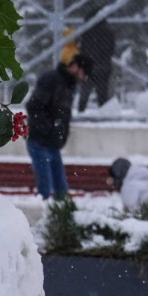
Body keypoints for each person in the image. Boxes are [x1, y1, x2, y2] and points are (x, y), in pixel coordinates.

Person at [24, 54, 93, 200]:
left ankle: (61, 216)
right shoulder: (52, 80)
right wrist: (50, 128)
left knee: (61, 189)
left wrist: (59, 134)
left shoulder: (68, 85)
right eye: (84, 73)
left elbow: (61, 114)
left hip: (52, 143)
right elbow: (34, 107)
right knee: (45, 188)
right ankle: (41, 215)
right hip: (39, 140)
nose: (84, 78)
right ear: (74, 67)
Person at [76, 18, 115, 112]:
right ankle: (103, 110)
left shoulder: (85, 33)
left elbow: (80, 49)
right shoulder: (108, 32)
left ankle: (81, 110)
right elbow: (111, 50)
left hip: (88, 65)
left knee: (85, 91)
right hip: (103, 65)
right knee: (102, 92)